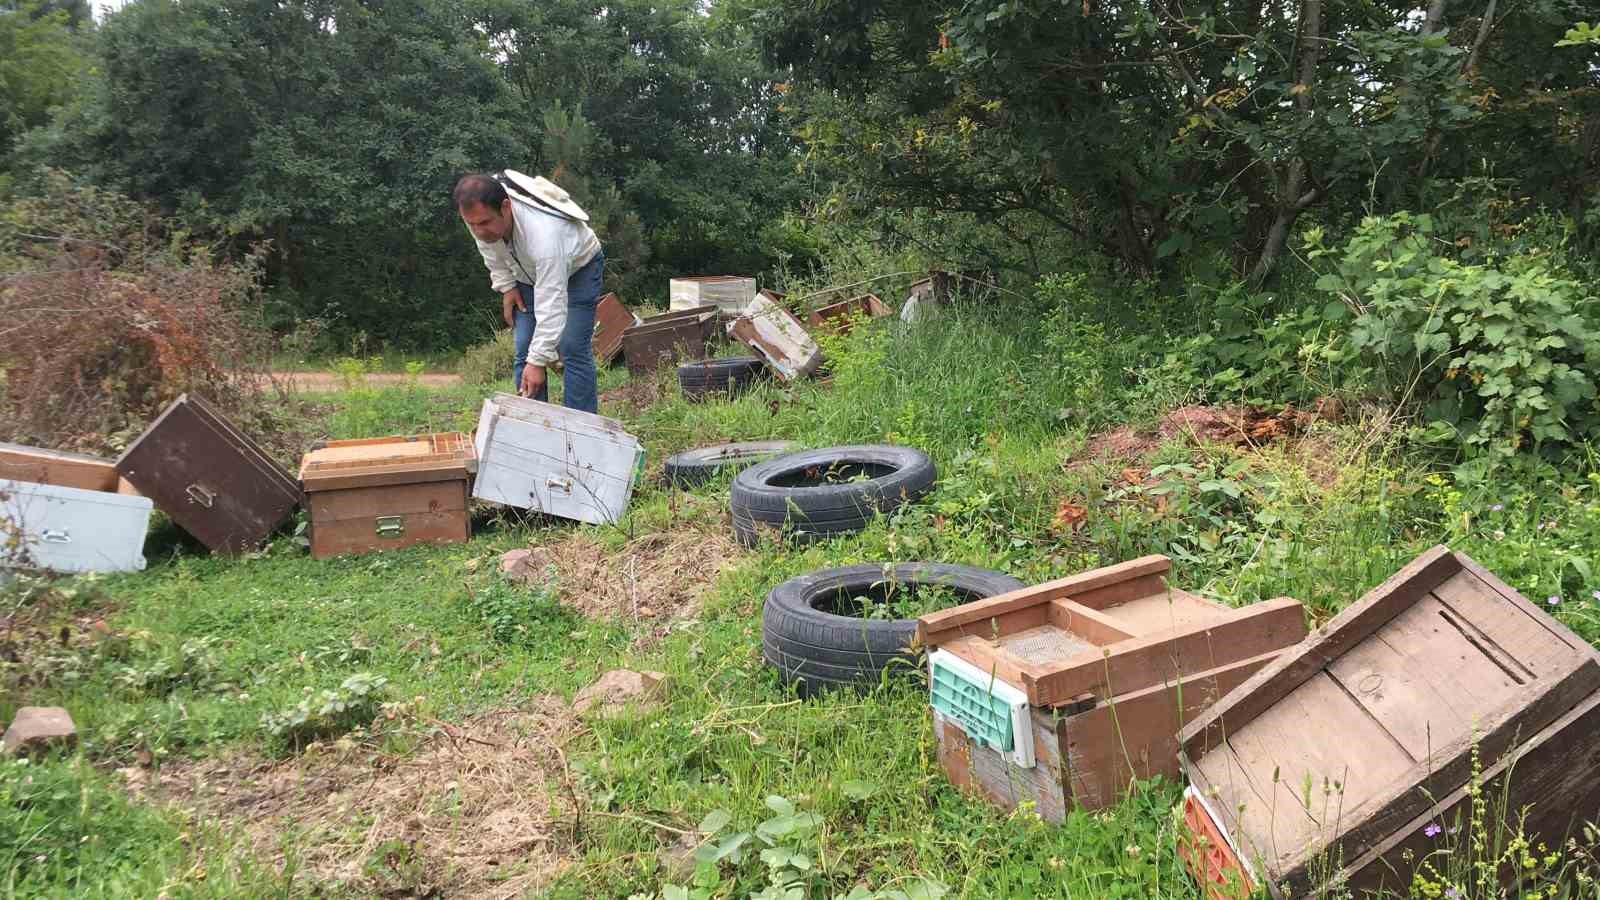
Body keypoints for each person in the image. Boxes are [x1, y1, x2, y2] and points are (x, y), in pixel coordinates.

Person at [453, 172, 604, 413]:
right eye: (471, 224)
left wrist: (538, 361)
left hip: (578, 270)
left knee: (572, 347)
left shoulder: (546, 236)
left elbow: (551, 304)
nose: (478, 231)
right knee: (524, 349)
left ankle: (579, 434)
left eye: (484, 223)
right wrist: (507, 286)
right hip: (526, 273)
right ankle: (532, 428)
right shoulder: (479, 215)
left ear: (506, 207)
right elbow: (491, 251)